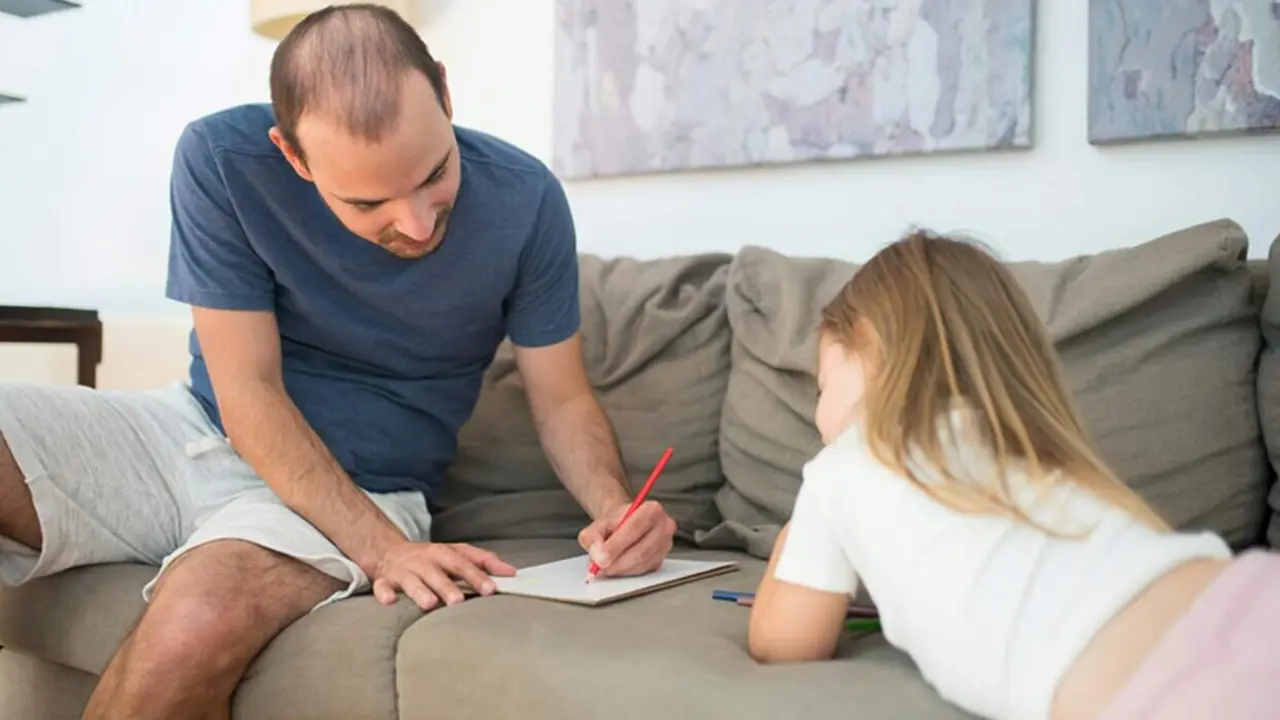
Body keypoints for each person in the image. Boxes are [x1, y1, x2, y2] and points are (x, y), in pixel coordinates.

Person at [0, 4, 677, 718]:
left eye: (434, 173)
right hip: (194, 429)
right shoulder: (221, 161)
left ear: (444, 93)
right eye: (368, 201)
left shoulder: (527, 198)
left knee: (195, 622)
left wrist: (616, 508)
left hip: (367, 486)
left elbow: (562, 399)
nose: (418, 223)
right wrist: (383, 554)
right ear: (293, 157)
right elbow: (248, 391)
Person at [745, 230, 1280, 719]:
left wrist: (796, 536)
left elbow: (784, 644)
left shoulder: (841, 467)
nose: (817, 417)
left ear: (866, 345)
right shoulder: (1022, 442)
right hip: (1242, 592)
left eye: (821, 387)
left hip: (1155, 692)